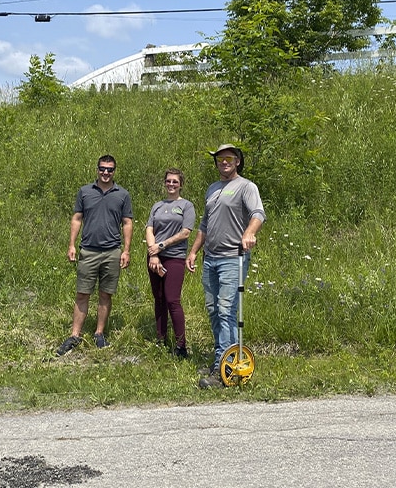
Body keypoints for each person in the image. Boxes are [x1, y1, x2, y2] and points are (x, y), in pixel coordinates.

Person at [186, 144, 265, 389]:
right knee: (213, 310)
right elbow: (205, 224)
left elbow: (258, 214)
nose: (224, 162)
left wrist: (249, 233)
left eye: (229, 158)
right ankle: (221, 359)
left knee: (226, 310)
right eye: (220, 158)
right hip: (210, 258)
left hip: (233, 257)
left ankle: (227, 370)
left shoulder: (246, 186)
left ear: (238, 161)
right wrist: (194, 251)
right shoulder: (212, 189)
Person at [57, 154, 134, 355]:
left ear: (114, 171)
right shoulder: (85, 192)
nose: (105, 173)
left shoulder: (122, 195)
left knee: (105, 294)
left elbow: (127, 223)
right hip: (88, 250)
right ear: (97, 169)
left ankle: (99, 333)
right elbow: (76, 219)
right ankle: (75, 335)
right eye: (102, 169)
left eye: (109, 169)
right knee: (83, 293)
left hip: (112, 251)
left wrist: (126, 250)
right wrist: (71, 245)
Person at [144, 168, 195, 358]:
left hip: (175, 257)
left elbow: (186, 232)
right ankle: (160, 339)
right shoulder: (157, 206)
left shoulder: (186, 206)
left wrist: (162, 245)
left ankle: (181, 345)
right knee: (159, 299)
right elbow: (149, 228)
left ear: (181, 184)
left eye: (175, 181)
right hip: (155, 257)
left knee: (172, 299)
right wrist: (154, 252)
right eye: (168, 181)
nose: (171, 184)